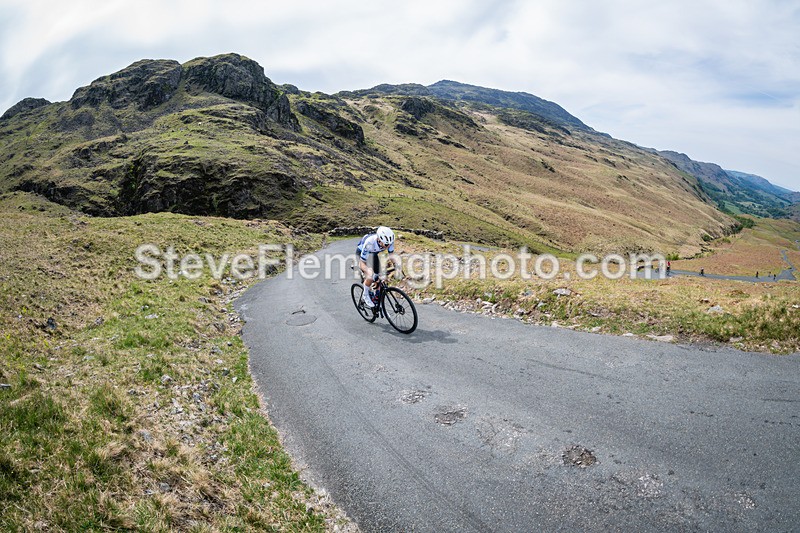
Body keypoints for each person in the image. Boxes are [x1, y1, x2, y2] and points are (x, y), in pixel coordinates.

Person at [356, 226, 403, 307]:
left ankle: (376, 299)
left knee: (381, 277)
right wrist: (368, 271)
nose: (388, 246)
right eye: (386, 244)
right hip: (362, 255)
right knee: (370, 276)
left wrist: (396, 265)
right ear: (379, 240)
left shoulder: (389, 242)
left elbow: (391, 255)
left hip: (373, 254)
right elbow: (362, 263)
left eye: (389, 244)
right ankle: (366, 294)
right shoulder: (369, 243)